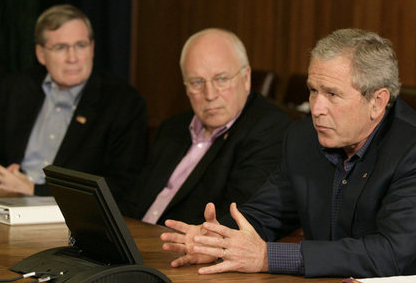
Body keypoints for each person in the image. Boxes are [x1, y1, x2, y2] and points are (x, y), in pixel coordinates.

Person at [160, 28, 416, 278]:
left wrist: (268, 257)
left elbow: (388, 254)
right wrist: (215, 242)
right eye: (313, 91)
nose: (317, 108)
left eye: (332, 94)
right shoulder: (303, 137)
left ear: (378, 101)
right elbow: (263, 215)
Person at [121, 28, 292, 225]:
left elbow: (238, 217)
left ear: (246, 78)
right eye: (197, 82)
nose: (210, 94)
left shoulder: (269, 129)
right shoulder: (172, 128)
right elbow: (133, 200)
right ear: (186, 86)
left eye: (221, 79)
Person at [0, 4, 148, 199]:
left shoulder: (122, 102)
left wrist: (34, 190)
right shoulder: (16, 88)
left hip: (70, 215)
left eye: (80, 45)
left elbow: (122, 185)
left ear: (92, 48)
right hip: (6, 200)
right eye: (61, 48)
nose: (73, 58)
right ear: (41, 54)